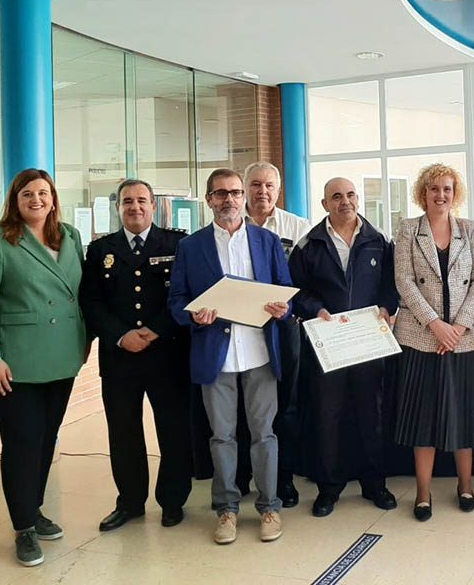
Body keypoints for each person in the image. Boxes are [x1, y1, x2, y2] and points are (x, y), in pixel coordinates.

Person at [0, 168, 88, 567]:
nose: (36, 199)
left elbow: (80, 293)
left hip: (61, 357)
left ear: (53, 197)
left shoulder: (69, 236)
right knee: (21, 443)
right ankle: (23, 528)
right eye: (27, 194)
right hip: (12, 362)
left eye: (43, 192)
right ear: (14, 201)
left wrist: (85, 340)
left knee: (44, 439)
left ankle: (33, 509)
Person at [168, 168, 293, 545]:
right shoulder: (192, 247)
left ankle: (269, 506)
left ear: (243, 197)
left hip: (259, 353)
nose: (230, 199)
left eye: (236, 192)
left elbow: (286, 290)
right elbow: (176, 300)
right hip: (215, 354)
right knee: (221, 437)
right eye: (221, 193)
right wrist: (193, 315)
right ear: (208, 200)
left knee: (264, 435)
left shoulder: (267, 240)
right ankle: (226, 510)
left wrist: (282, 309)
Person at [80, 179, 192, 532]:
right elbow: (92, 301)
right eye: (127, 201)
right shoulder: (101, 250)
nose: (135, 207)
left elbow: (186, 292)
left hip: (167, 353)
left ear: (154, 205)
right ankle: (129, 502)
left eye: (142, 200)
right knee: (123, 432)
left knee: (173, 431)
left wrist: (156, 329)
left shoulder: (177, 243)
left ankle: (172, 501)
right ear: (118, 207)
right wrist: (120, 335)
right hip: (120, 357)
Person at [288, 177, 398, 517]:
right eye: (337, 197)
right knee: (328, 415)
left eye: (350, 195)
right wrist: (314, 310)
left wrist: (386, 307)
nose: (345, 201)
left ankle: (374, 484)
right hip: (328, 344)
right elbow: (296, 290)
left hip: (367, 342)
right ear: (325, 204)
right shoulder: (309, 244)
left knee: (371, 414)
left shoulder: (378, 241)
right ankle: (329, 488)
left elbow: (391, 286)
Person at [393, 163, 474, 521]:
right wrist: (436, 325)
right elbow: (404, 281)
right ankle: (423, 493)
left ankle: (465, 486)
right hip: (422, 338)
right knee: (424, 420)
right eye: (434, 189)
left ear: (455, 193)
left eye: (447, 189)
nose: (440, 195)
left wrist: (458, 327)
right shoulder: (407, 230)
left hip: (465, 340)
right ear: (423, 193)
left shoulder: (470, 229)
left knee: (464, 417)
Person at [245, 161, 311, 508]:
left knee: (284, 404)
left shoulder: (298, 228)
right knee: (241, 403)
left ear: (278, 189)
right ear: (246, 188)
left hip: (283, 327)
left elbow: (307, 281)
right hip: (237, 326)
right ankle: (242, 475)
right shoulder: (228, 224)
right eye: (256, 185)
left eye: (269, 185)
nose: (263, 191)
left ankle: (282, 477)